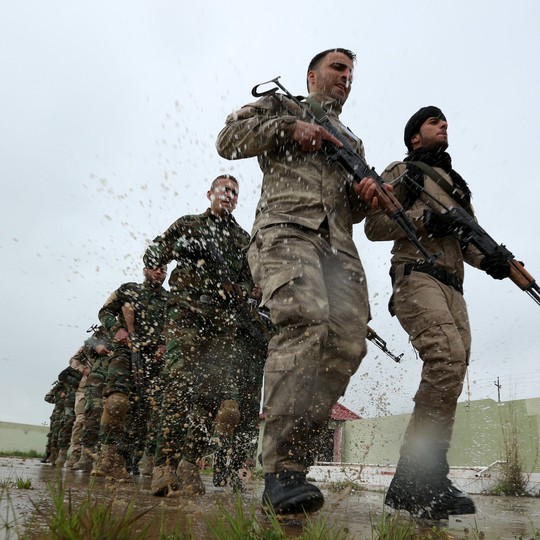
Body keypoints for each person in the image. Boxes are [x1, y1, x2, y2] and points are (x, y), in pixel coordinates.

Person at [216, 48, 372, 515]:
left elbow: (353, 210)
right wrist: (289, 128)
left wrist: (367, 197)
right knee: (304, 322)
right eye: (337, 68)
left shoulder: (352, 142)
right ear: (312, 75)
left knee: (346, 343)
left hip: (338, 248)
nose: (346, 77)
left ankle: (297, 465)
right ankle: (280, 469)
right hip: (286, 229)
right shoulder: (282, 107)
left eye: (351, 72)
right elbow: (229, 139)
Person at [360, 106, 511, 520]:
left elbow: (469, 242)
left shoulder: (458, 187)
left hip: (453, 286)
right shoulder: (405, 171)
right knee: (444, 358)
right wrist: (424, 218)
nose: (444, 125)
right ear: (415, 137)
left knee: (454, 367)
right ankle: (423, 474)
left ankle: (420, 479)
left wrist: (493, 261)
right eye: (434, 121)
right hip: (417, 275)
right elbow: (374, 224)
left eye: (445, 121)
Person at [144, 174, 253, 497]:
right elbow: (154, 256)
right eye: (224, 189)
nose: (229, 195)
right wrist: (182, 248)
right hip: (186, 315)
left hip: (221, 324)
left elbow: (250, 284)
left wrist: (240, 291)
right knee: (178, 386)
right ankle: (164, 465)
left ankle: (189, 463)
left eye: (234, 192)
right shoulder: (188, 225)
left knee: (212, 398)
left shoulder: (242, 239)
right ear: (210, 193)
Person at [92, 262, 168, 480]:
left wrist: (165, 344)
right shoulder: (127, 289)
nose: (158, 272)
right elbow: (105, 311)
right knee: (117, 402)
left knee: (145, 411)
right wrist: (117, 329)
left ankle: (128, 461)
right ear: (145, 270)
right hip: (125, 352)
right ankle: (106, 457)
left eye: (162, 269)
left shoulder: (169, 300)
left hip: (153, 359)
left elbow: (175, 327)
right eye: (154, 267)